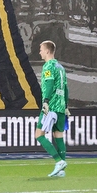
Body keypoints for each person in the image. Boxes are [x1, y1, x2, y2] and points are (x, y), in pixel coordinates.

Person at [35, 40, 69, 178]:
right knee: (59, 136)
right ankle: (61, 170)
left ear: (47, 51)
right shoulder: (61, 67)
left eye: (41, 49)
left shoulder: (48, 66)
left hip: (51, 106)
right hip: (60, 106)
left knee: (39, 135)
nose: (40, 52)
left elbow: (49, 84)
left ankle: (59, 161)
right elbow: (65, 88)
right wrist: (66, 106)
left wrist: (46, 101)